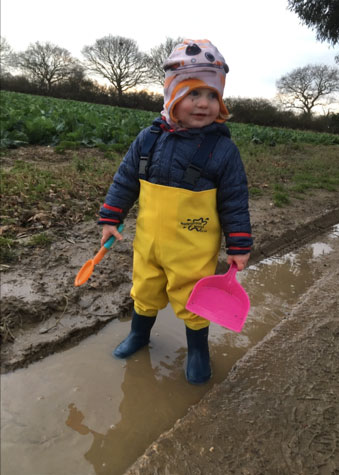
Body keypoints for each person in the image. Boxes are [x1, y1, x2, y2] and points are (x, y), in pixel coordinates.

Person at [98, 39, 252, 384]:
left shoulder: (223, 151)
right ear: (172, 96)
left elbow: (234, 201)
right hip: (149, 243)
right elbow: (125, 180)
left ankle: (197, 349)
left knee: (192, 299)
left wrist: (239, 246)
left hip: (192, 248)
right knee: (145, 289)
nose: (204, 104)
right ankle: (139, 335)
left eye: (213, 96)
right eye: (193, 94)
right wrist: (111, 218)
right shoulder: (149, 139)